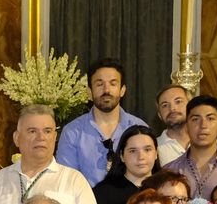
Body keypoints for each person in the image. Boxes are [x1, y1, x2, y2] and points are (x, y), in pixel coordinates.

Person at [55, 57, 149, 185]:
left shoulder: (140, 128)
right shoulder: (72, 132)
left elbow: (150, 177)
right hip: (86, 203)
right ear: (89, 92)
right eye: (99, 84)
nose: (106, 90)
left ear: (122, 90)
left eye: (113, 83)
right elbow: (66, 182)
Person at [94, 126, 161, 204]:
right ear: (121, 156)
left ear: (156, 153)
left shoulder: (167, 188)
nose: (141, 157)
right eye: (132, 151)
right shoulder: (102, 193)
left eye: (147, 149)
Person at [154, 84, 190, 166]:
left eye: (178, 101)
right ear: (159, 115)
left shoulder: (207, 143)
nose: (172, 108)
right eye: (165, 105)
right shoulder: (154, 148)